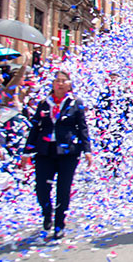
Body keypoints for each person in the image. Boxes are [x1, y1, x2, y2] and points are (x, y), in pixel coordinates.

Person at [22, 71, 92, 239]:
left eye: (63, 81)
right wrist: (26, 151)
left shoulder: (75, 103)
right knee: (41, 188)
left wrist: (87, 150)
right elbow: (35, 127)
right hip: (45, 151)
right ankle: (47, 212)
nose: (60, 84)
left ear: (69, 84)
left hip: (68, 152)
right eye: (57, 81)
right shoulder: (44, 103)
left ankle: (60, 223)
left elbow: (82, 127)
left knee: (63, 188)